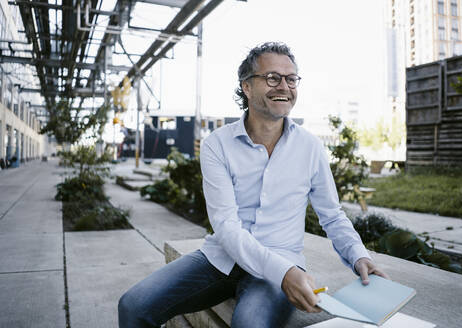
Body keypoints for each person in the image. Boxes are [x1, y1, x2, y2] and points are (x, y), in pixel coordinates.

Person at [118, 42, 388, 328]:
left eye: (291, 78)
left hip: (280, 261)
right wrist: (285, 274)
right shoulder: (217, 145)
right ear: (246, 87)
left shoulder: (311, 147)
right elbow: (226, 226)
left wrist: (359, 256)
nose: (284, 86)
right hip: (221, 259)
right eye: (272, 77)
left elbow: (332, 215)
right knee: (133, 306)